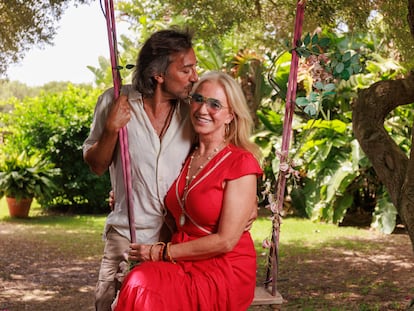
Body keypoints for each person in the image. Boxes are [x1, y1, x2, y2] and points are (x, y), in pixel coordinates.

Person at [114, 71, 263, 311]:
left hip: (223, 266)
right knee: (139, 281)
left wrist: (160, 252)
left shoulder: (240, 163)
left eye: (215, 104)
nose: (203, 110)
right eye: (198, 99)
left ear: (230, 115)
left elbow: (225, 241)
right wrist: (120, 195)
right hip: (183, 259)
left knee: (145, 285)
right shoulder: (186, 153)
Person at [83, 28, 198, 311]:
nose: (194, 76)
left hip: (173, 239)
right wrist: (111, 129)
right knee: (109, 303)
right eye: (186, 70)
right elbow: (96, 165)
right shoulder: (115, 101)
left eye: (194, 68)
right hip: (125, 234)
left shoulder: (192, 112)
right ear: (159, 74)